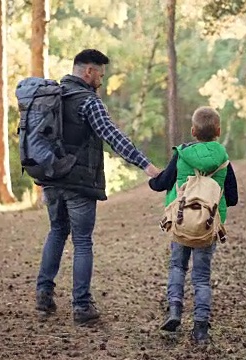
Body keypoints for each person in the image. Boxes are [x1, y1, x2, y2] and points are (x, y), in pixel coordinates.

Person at [34, 49, 161, 326]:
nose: (101, 81)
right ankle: (81, 306)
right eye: (100, 75)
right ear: (88, 71)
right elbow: (112, 135)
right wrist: (145, 165)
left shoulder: (52, 96)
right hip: (79, 183)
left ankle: (44, 294)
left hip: (52, 179)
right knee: (82, 241)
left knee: (56, 231)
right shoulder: (88, 101)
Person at [149, 106, 238, 344]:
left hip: (180, 225)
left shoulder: (181, 155)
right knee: (201, 277)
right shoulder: (224, 161)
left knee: (177, 267)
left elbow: (161, 183)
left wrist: (153, 180)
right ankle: (200, 329)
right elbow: (234, 197)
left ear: (193, 131)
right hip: (208, 228)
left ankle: (175, 311)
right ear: (218, 131)